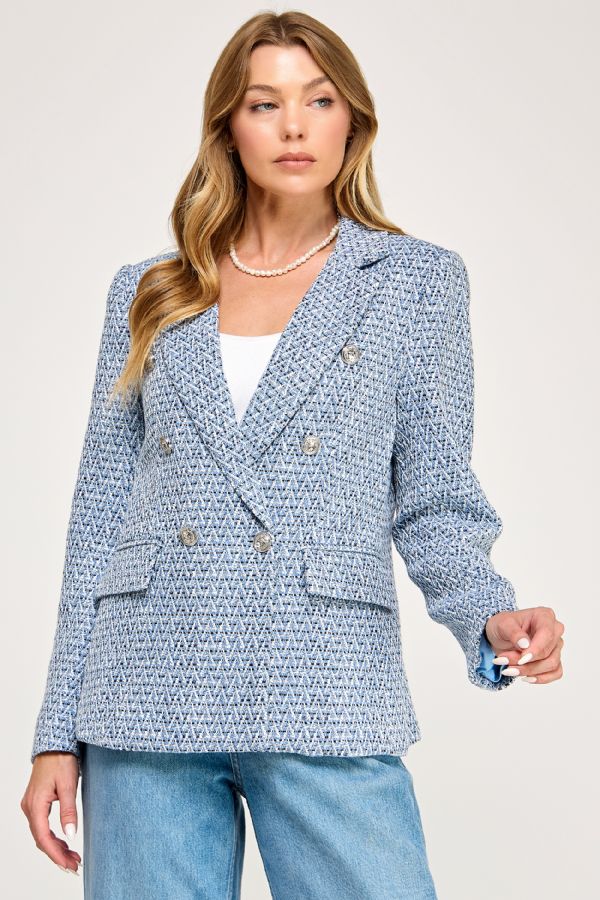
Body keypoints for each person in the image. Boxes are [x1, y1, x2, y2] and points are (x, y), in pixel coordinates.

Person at [21, 10, 565, 898]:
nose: (294, 127)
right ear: (229, 128)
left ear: (353, 119)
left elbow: (433, 494)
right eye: (264, 104)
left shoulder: (415, 283)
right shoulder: (152, 291)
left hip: (323, 677)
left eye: (318, 100)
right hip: (147, 690)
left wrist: (488, 612)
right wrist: (55, 734)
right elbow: (100, 517)